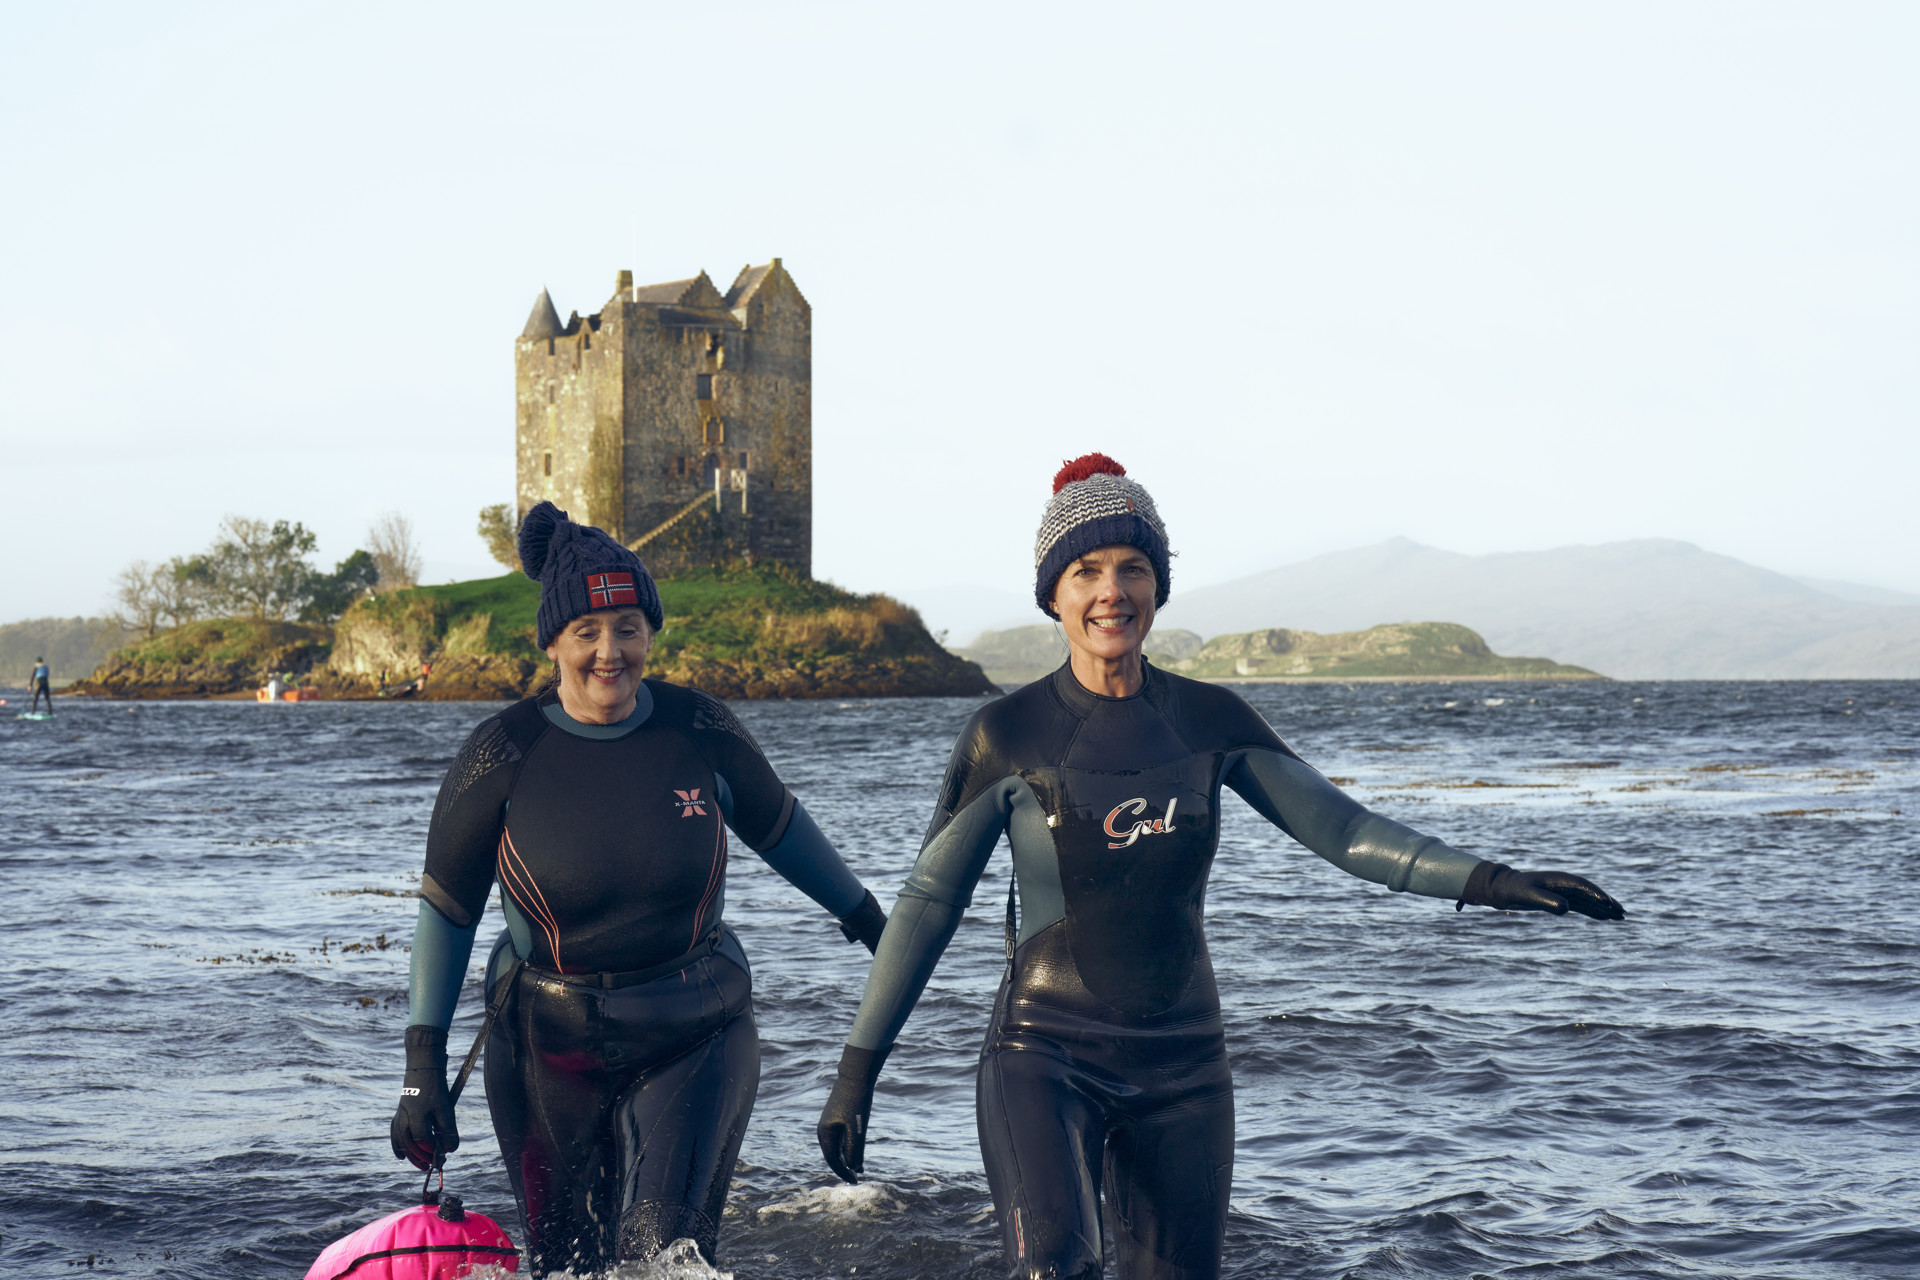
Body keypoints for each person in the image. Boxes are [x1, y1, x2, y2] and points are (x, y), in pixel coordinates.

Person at [816, 454, 1625, 1280]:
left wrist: (1493, 882)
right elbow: (927, 904)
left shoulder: (1210, 720)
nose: (1112, 592)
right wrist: (857, 1074)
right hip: (1042, 1052)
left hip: (1185, 1066)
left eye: (1133, 569)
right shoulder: (1008, 735)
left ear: (1157, 588)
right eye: (1086, 571)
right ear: (1053, 594)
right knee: (1050, 1270)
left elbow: (1345, 832)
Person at [391, 502, 889, 1276]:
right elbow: (449, 910)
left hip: (695, 1030)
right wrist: (423, 1068)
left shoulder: (700, 730)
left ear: (651, 632)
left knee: (662, 1257)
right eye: (587, 631)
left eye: (628, 626)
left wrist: (874, 924)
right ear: (553, 639)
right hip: (543, 1046)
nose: (609, 651)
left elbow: (783, 829)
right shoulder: (503, 753)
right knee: (566, 1266)